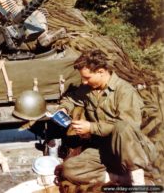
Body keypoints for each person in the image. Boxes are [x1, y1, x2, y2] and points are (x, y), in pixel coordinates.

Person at [58, 49, 156, 186]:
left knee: (123, 127)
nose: (84, 82)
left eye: (87, 78)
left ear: (101, 72)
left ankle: (138, 182)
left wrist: (91, 127)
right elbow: (70, 99)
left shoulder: (125, 91)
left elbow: (127, 126)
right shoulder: (88, 89)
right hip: (103, 149)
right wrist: (64, 108)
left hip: (129, 149)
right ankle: (120, 179)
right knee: (68, 170)